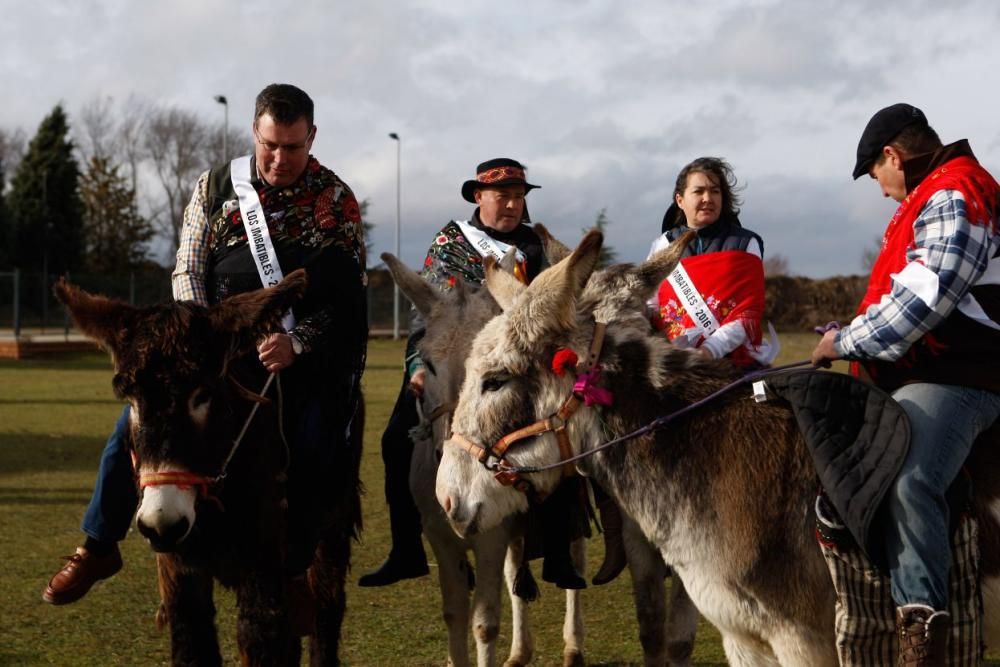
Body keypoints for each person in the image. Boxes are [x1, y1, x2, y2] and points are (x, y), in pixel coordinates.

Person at [43, 83, 367, 605]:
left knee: (316, 444)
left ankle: (295, 567)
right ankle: (99, 543)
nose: (280, 159)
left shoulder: (335, 199)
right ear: (254, 133)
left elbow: (347, 298)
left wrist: (297, 344)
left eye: (293, 147)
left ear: (312, 138)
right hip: (213, 342)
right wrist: (201, 332)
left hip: (289, 351)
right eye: (269, 145)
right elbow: (189, 265)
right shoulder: (216, 185)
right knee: (134, 425)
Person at [811, 103, 1000, 665]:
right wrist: (848, 331)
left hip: (963, 375)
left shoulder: (956, 193)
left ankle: (922, 630)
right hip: (931, 367)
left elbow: (925, 300)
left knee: (907, 476)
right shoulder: (933, 196)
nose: (881, 189)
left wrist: (843, 343)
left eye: (876, 176)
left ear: (892, 155)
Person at [360, 158, 589, 590]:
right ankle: (406, 549)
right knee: (394, 440)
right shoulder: (450, 242)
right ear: (478, 197)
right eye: (502, 196)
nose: (511, 205)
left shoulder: (536, 248)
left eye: (519, 197)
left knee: (559, 445)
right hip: (451, 366)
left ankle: (557, 551)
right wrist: (416, 367)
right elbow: (425, 313)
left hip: (515, 373)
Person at [647, 156, 778, 367]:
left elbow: (748, 313)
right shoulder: (662, 245)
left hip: (736, 361)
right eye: (699, 191)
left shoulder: (746, 243)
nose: (708, 198)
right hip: (675, 361)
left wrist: (708, 351)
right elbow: (651, 304)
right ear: (680, 200)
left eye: (715, 191)